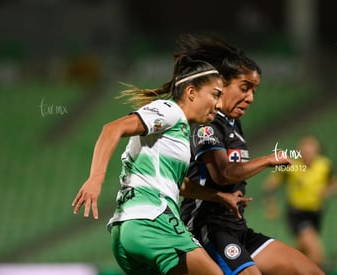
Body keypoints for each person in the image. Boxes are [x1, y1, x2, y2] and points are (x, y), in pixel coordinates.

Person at [72, 53, 251, 275]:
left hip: (126, 231)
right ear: (191, 92)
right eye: (215, 95)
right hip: (153, 221)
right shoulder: (170, 111)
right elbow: (112, 129)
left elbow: (180, 185)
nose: (218, 104)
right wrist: (95, 178)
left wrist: (219, 197)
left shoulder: (178, 132)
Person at [178, 34, 325, 275]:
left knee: (311, 271)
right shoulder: (209, 125)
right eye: (244, 88)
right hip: (208, 228)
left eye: (254, 91)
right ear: (222, 84)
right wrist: (269, 160)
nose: (250, 98)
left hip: (237, 230)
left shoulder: (234, 123)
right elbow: (223, 173)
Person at [264, 135, 337, 268]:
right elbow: (270, 185)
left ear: (317, 151)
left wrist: (327, 191)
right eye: (305, 149)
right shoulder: (291, 165)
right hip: (297, 213)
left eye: (311, 149)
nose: (308, 152)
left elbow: (335, 185)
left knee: (302, 250)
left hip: (316, 213)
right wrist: (271, 207)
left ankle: (280, 266)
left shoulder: (324, 165)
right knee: (316, 253)